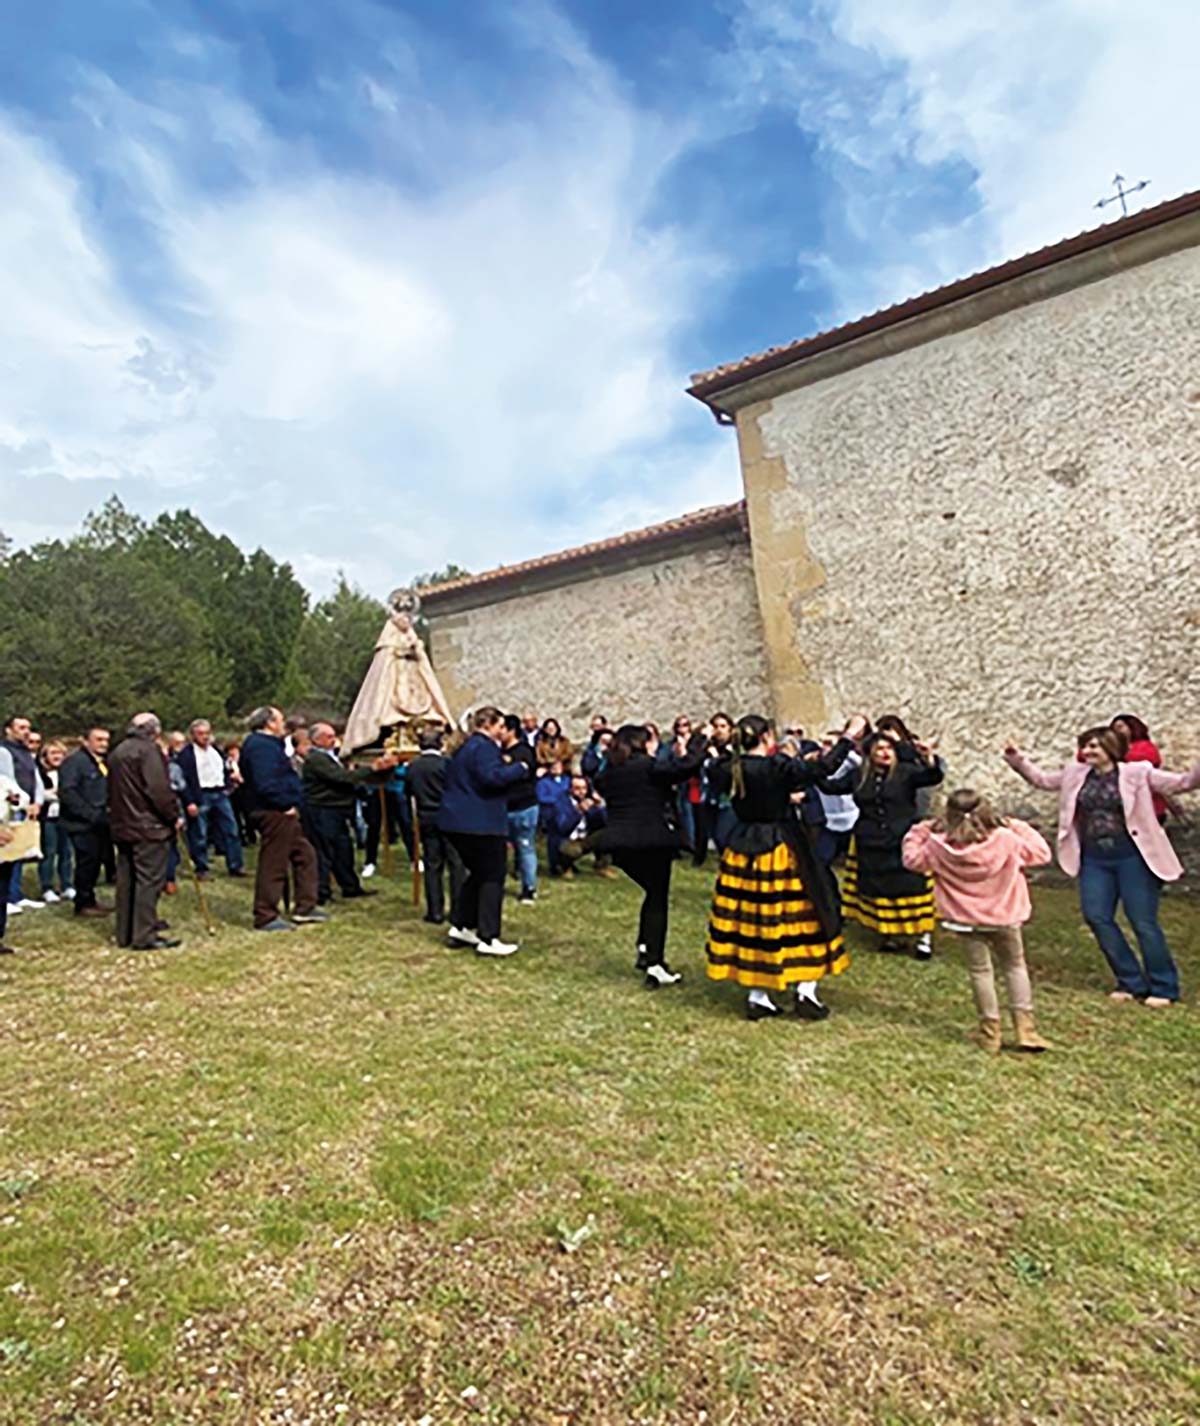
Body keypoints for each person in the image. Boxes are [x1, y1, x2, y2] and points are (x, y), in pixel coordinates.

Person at [1005, 726, 1200, 1007]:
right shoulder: (1076, 774)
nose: (1087, 752)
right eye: (1085, 746)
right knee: (1096, 916)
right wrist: (1017, 759)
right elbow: (1043, 780)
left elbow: (1182, 783)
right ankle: (1130, 981)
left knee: (1142, 922)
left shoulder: (1137, 773)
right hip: (1095, 857)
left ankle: (1164, 986)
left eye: (1094, 747)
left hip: (1132, 856)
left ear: (1110, 748)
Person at [705, 714, 867, 1020]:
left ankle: (758, 995)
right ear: (767, 736)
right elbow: (823, 768)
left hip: (742, 847)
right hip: (781, 845)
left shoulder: (725, 768)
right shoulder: (775, 765)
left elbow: (750, 779)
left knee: (752, 920)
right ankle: (805, 991)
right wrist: (848, 737)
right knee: (808, 913)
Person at [903, 790, 1053, 1052]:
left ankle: (989, 1032)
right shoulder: (1006, 840)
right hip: (1005, 915)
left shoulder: (938, 845)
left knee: (980, 972)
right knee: (1015, 966)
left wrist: (920, 831)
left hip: (965, 918)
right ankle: (1025, 1030)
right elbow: (1041, 853)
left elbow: (911, 859)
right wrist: (1019, 826)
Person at [593, 722, 709, 988]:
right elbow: (683, 769)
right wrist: (699, 742)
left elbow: (602, 786)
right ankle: (655, 963)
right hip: (651, 841)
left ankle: (645, 949)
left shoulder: (611, 772)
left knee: (651, 894)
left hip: (620, 844)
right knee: (658, 899)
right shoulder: (647, 766)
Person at [833, 730, 945, 958]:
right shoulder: (859, 776)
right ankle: (890, 934)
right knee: (882, 889)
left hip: (903, 838)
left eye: (888, 749)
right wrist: (810, 769)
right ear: (870, 755)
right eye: (879, 750)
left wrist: (928, 758)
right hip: (872, 840)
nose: (885, 753)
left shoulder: (906, 772)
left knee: (913, 886)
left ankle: (924, 937)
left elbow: (932, 777)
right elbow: (830, 786)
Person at [436, 706, 532, 957]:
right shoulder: (485, 747)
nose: (503, 732)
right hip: (480, 822)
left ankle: (462, 924)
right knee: (492, 875)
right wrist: (519, 769)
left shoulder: (464, 748)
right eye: (500, 726)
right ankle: (488, 936)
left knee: (478, 873)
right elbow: (490, 778)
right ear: (488, 724)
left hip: (456, 820)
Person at [240, 706, 326, 933]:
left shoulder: (265, 745)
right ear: (269, 723)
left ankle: (305, 906)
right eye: (279, 719)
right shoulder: (260, 747)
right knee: (274, 863)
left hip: (280, 810)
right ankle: (266, 915)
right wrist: (284, 804)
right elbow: (266, 782)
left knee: (305, 854)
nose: (283, 723)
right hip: (273, 812)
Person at [342, 594, 455, 753]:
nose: (406, 622)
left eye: (408, 619)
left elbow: (421, 660)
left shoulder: (412, 637)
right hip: (396, 675)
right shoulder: (388, 642)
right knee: (385, 699)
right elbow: (386, 659)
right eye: (402, 619)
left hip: (413, 675)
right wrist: (400, 652)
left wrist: (416, 650)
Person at [107, 712, 181, 951]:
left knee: (127, 880)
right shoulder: (149, 751)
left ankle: (125, 932)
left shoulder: (118, 751)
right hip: (148, 826)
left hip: (123, 824)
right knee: (149, 881)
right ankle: (144, 934)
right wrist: (173, 815)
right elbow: (158, 789)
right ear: (154, 731)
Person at [301, 723, 395, 903]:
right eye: (328, 736)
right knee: (324, 852)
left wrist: (380, 772)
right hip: (323, 810)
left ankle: (350, 886)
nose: (333, 739)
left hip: (337, 810)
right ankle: (322, 892)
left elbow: (349, 778)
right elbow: (340, 777)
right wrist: (372, 769)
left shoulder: (331, 757)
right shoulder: (316, 759)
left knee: (343, 850)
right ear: (316, 740)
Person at [406, 728, 465, 924]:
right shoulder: (446, 765)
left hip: (426, 816)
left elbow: (408, 791)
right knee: (455, 864)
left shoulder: (413, 767)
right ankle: (458, 909)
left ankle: (435, 910)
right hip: (449, 816)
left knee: (433, 864)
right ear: (440, 744)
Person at [176, 720, 246, 881]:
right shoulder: (187, 755)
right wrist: (189, 801)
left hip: (220, 793)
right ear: (193, 735)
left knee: (231, 830)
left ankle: (235, 865)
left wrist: (229, 784)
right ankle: (201, 867)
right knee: (200, 833)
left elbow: (224, 770)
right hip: (201, 794)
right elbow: (183, 781)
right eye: (200, 734)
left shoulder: (216, 752)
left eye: (207, 733)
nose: (205, 737)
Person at [59, 727, 112, 919]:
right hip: (82, 823)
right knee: (86, 862)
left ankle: (90, 899)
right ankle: (82, 902)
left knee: (96, 861)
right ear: (86, 741)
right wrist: (89, 814)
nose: (103, 744)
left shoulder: (102, 763)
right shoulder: (74, 762)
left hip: (101, 821)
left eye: (106, 740)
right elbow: (68, 792)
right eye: (98, 739)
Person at [2, 716, 44, 912]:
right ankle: (8, 896)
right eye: (21, 727)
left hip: (26, 807)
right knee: (7, 854)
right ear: (8, 730)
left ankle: (15, 894)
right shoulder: (4, 752)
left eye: (28, 727)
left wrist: (38, 801)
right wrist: (22, 804)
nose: (26, 731)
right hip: (9, 810)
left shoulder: (26, 752)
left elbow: (35, 778)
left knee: (19, 853)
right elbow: (8, 783)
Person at [1109, 714, 1181, 826]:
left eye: (1120, 727)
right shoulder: (1112, 749)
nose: (1115, 731)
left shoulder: (1145, 746)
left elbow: (1146, 758)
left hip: (1150, 805)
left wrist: (1112, 753)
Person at [500, 715, 539, 904]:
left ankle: (529, 888)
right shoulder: (497, 751)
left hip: (524, 807)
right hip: (503, 807)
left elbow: (521, 774)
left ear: (511, 731)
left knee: (525, 846)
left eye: (502, 728)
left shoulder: (524, 751)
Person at [692, 713, 734, 866]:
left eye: (723, 726)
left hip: (725, 798)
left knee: (722, 835)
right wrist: (702, 737)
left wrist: (716, 758)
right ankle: (699, 859)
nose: (719, 730)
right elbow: (692, 756)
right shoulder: (707, 747)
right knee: (705, 832)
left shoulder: (732, 749)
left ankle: (729, 863)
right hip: (707, 795)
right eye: (716, 726)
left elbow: (725, 774)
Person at [37, 740, 74, 902]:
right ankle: (47, 887)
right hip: (48, 818)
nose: (57, 756)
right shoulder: (40, 773)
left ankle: (67, 885)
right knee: (49, 853)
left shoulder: (67, 772)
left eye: (60, 753)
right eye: (53, 753)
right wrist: (54, 794)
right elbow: (39, 794)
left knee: (66, 853)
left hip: (65, 817)